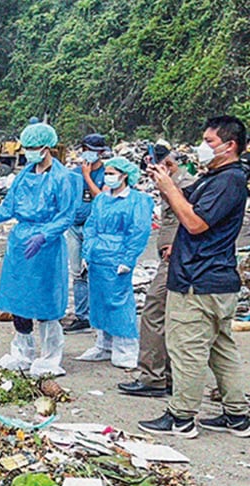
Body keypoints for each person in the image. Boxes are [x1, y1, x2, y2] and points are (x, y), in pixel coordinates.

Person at [140, 116, 249, 438]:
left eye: (210, 141)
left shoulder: (228, 181)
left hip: (198, 281)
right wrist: (174, 179)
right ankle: (237, 415)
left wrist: (168, 187)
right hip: (215, 277)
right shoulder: (219, 177)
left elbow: (196, 223)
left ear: (230, 146)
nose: (203, 147)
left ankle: (181, 417)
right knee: (221, 348)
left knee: (187, 350)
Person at [0, 122, 79, 377]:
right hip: (20, 245)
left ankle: (50, 357)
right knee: (18, 302)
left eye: (33, 147)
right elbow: (8, 209)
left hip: (46, 247)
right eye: (26, 147)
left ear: (47, 147)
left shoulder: (63, 178)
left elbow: (65, 216)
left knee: (46, 304)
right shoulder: (24, 176)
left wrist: (45, 234)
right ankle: (22, 353)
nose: (28, 151)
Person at [118, 145, 198, 397]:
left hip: (178, 257)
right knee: (169, 313)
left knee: (154, 309)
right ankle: (168, 375)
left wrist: (175, 244)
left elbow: (191, 219)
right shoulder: (173, 183)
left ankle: (153, 377)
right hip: (174, 255)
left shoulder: (184, 184)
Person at [75, 157, 153, 368]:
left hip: (118, 256)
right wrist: (87, 253)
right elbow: (90, 227)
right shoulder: (101, 200)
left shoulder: (138, 200)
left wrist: (128, 258)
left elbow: (139, 231)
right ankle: (104, 344)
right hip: (98, 256)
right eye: (107, 173)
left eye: (111, 173)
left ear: (125, 175)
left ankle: (126, 349)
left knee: (118, 302)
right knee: (98, 300)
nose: (107, 177)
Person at [63, 133, 110, 333]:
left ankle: (100, 314)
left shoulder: (108, 174)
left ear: (100, 152)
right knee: (78, 272)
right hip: (75, 227)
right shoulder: (74, 172)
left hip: (96, 229)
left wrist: (87, 177)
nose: (86, 154)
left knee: (97, 271)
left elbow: (101, 199)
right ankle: (82, 316)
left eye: (91, 150)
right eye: (84, 149)